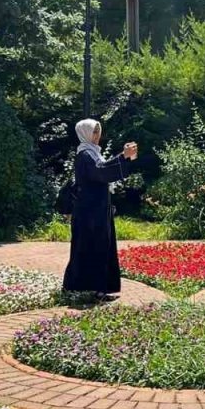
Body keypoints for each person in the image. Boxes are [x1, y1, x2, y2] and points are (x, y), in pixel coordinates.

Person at [62, 118, 138, 299]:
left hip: (97, 209)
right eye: (94, 132)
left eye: (98, 131)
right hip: (89, 212)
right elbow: (100, 172)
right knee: (89, 247)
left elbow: (103, 170)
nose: (97, 135)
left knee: (101, 247)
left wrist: (126, 158)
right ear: (85, 133)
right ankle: (82, 288)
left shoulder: (94, 153)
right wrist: (122, 157)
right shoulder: (85, 155)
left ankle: (98, 289)